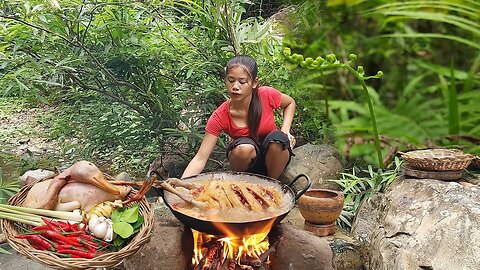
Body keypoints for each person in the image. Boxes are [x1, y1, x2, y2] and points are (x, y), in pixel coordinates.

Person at [181, 55, 296, 179]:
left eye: (242, 82)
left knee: (278, 139)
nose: (235, 86)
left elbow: (290, 103)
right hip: (248, 166)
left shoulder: (266, 95)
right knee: (243, 149)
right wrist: (179, 184)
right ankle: (242, 183)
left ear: (254, 82)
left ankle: (272, 184)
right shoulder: (220, 116)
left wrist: (285, 130)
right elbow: (200, 158)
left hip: (275, 159)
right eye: (231, 80)